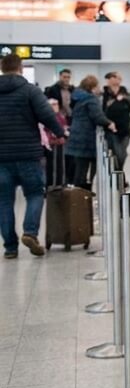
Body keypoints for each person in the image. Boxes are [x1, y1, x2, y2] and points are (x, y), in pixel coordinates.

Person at [0, 53, 66, 258]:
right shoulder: (30, 91)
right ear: (20, 68)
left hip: (1, 157)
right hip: (28, 153)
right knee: (35, 194)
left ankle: (10, 247)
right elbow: (47, 115)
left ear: (2, 69)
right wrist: (60, 133)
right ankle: (30, 232)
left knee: (4, 201)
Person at [66, 75, 115, 191]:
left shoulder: (77, 98)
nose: (99, 89)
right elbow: (97, 117)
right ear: (92, 87)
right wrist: (109, 123)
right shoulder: (91, 99)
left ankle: (77, 194)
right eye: (97, 86)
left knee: (78, 168)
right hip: (87, 138)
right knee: (85, 170)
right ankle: (82, 196)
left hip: (76, 135)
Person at [101, 72, 130, 170]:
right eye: (113, 78)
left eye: (118, 78)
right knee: (116, 153)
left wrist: (125, 98)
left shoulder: (125, 93)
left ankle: (120, 173)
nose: (116, 80)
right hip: (110, 128)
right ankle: (118, 175)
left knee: (122, 153)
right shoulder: (104, 94)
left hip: (125, 128)